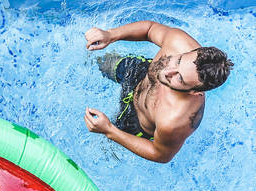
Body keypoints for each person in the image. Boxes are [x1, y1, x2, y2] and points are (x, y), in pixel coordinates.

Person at [83, 21, 233, 163]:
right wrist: (111, 35)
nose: (168, 71)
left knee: (103, 147)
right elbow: (149, 29)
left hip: (135, 121)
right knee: (99, 61)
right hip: (138, 74)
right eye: (178, 61)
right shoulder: (178, 42)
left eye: (179, 78)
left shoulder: (175, 120)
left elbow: (161, 154)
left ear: (194, 92)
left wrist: (109, 130)